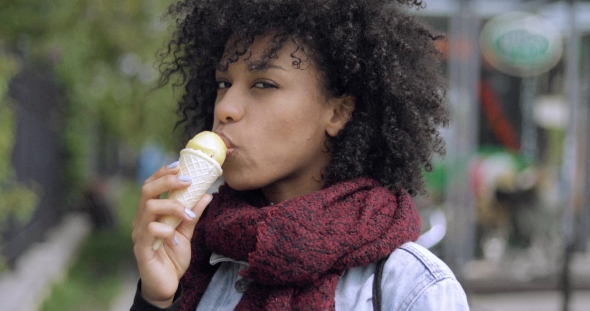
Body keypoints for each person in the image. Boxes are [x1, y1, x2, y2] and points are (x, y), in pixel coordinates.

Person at [131, 0, 469, 310]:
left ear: (338, 113)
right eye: (223, 84)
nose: (226, 108)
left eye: (263, 84)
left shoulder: (412, 287)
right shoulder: (200, 258)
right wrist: (155, 299)